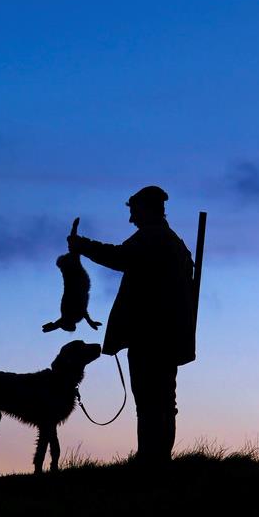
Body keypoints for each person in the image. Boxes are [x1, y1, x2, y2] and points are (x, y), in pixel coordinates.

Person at [67, 186, 196, 470]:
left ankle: (149, 461)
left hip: (150, 336)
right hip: (168, 336)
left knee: (150, 402)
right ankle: (158, 459)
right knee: (163, 400)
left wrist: (82, 246)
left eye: (134, 212)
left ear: (147, 210)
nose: (131, 219)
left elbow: (119, 257)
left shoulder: (153, 238)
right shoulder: (174, 243)